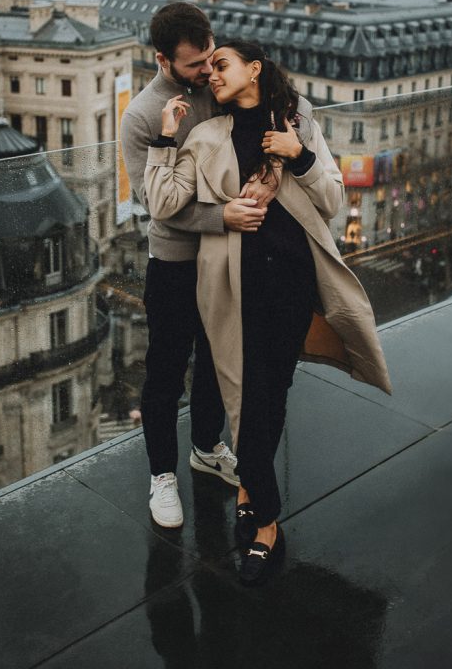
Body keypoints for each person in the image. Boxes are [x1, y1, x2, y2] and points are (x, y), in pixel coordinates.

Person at [144, 40, 392, 584]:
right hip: (230, 291)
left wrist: (299, 154)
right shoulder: (206, 135)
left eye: (222, 65)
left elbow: (333, 201)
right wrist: (166, 137)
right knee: (242, 397)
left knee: (268, 395)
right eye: (207, 69)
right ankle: (262, 510)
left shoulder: (297, 126)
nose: (211, 75)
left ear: (254, 69)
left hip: (291, 287)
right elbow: (162, 202)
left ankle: (259, 509)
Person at [120, 4, 280, 529]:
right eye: (194, 66)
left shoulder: (219, 85)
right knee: (166, 368)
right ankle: (161, 474)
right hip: (174, 258)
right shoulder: (142, 115)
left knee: (216, 358)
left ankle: (207, 447)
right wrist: (222, 217)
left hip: (225, 252)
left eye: (212, 59)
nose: (207, 73)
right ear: (162, 59)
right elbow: (152, 201)